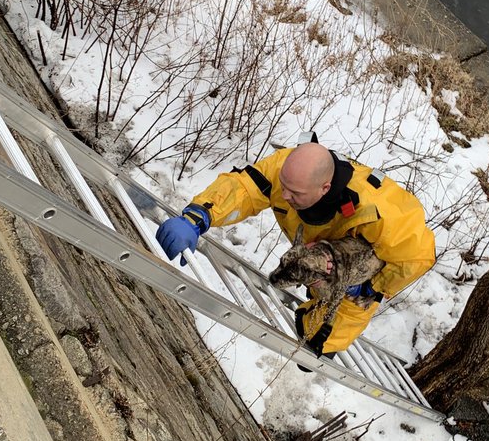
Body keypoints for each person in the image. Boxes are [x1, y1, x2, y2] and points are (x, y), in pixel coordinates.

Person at [156, 141, 436, 355]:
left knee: (316, 342)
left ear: (325, 188)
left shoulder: (378, 212)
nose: (284, 195)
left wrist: (371, 287)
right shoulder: (287, 171)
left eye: (295, 193)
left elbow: (417, 256)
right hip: (318, 257)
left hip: (356, 278)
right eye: (284, 187)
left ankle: (321, 332)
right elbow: (244, 187)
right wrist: (197, 217)